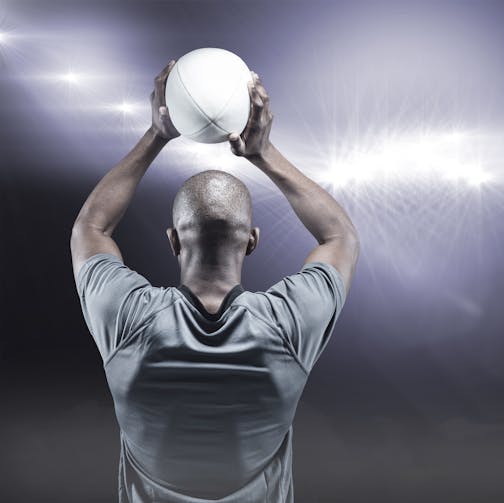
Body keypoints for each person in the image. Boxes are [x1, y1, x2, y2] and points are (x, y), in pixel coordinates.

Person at [70, 61, 360, 503]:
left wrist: (158, 134)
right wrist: (264, 153)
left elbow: (91, 227)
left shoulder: (128, 317)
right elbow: (340, 235)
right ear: (252, 241)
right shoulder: (289, 324)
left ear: (173, 241)